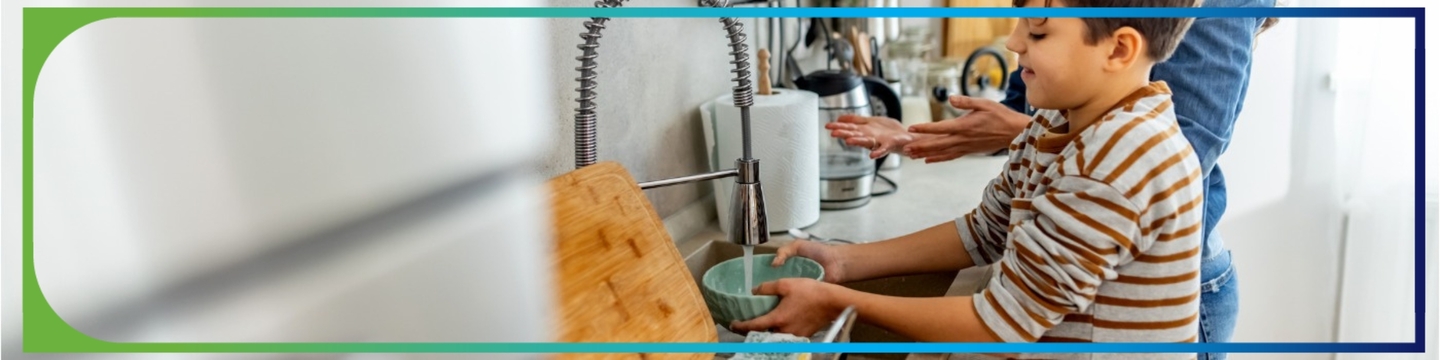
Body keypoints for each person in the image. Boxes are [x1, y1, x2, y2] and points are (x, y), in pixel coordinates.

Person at [732, 0, 1205, 356]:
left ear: (1119, 49)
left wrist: (837, 303)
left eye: (1039, 34)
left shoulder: (1119, 160)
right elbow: (985, 232)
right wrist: (841, 262)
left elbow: (998, 324)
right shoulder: (1059, 122)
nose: (1013, 42)